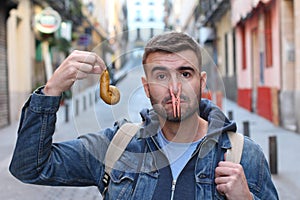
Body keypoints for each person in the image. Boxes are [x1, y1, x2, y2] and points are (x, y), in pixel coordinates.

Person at [9, 31, 278, 200]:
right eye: (161, 76)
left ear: (202, 81)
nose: (174, 88)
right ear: (146, 87)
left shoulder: (243, 155)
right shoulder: (117, 146)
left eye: (185, 74)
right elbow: (30, 167)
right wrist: (51, 91)